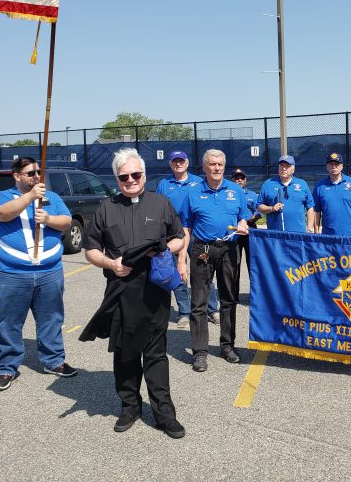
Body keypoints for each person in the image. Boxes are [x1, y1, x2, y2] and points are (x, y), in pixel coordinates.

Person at [81, 148, 186, 438]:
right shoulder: (106, 207)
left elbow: (179, 236)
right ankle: (129, 406)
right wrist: (110, 263)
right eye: (124, 176)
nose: (130, 180)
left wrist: (167, 251)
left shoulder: (160, 203)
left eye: (135, 174)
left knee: (155, 353)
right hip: (121, 290)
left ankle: (164, 413)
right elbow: (90, 249)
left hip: (154, 290)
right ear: (117, 178)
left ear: (144, 175)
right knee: (125, 353)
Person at [0, 156, 77, 392]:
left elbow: (67, 221)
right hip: (12, 273)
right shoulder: (3, 197)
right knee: (9, 322)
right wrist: (29, 197)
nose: (36, 176)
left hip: (50, 271)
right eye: (30, 173)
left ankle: (54, 361)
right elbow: (2, 215)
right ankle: (6, 367)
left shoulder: (52, 198)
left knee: (51, 319)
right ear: (17, 176)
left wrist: (48, 218)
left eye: (38, 172)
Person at [178, 149, 250, 372]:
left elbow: (243, 216)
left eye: (220, 164)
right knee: (198, 302)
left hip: (229, 249)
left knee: (228, 299)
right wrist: (181, 259)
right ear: (204, 167)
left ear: (224, 167)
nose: (217, 168)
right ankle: (200, 352)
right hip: (202, 250)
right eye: (212, 164)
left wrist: (244, 224)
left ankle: (227, 346)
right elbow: (185, 229)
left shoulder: (236, 190)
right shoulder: (193, 193)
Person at [155, 150, 220, 328]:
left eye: (181, 160)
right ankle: (184, 312)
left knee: (204, 273)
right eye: (174, 161)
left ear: (187, 162)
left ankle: (212, 310)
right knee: (178, 273)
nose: (178, 163)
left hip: (196, 234)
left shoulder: (199, 182)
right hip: (173, 236)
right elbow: (159, 210)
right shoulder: (164, 184)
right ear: (170, 164)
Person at [313, 152, 351, 236]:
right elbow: (316, 211)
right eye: (331, 164)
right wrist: (316, 230)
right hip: (328, 235)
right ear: (327, 167)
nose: (334, 166)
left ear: (341, 166)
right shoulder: (320, 186)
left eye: (336, 164)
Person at [257, 155, 315, 233]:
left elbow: (310, 207)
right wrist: (272, 208)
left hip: (298, 234)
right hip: (276, 236)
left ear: (293, 169)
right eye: (281, 166)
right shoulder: (268, 184)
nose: (283, 168)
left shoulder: (302, 184)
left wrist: (310, 228)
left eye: (287, 166)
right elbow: (259, 206)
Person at [231, 167, 260, 291]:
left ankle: (254, 293)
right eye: (236, 178)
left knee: (252, 263)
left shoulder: (252, 195)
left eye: (242, 178)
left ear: (246, 180)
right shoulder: (229, 194)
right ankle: (234, 294)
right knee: (234, 263)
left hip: (250, 230)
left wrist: (252, 219)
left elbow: (259, 210)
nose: (239, 180)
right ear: (232, 180)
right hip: (234, 231)